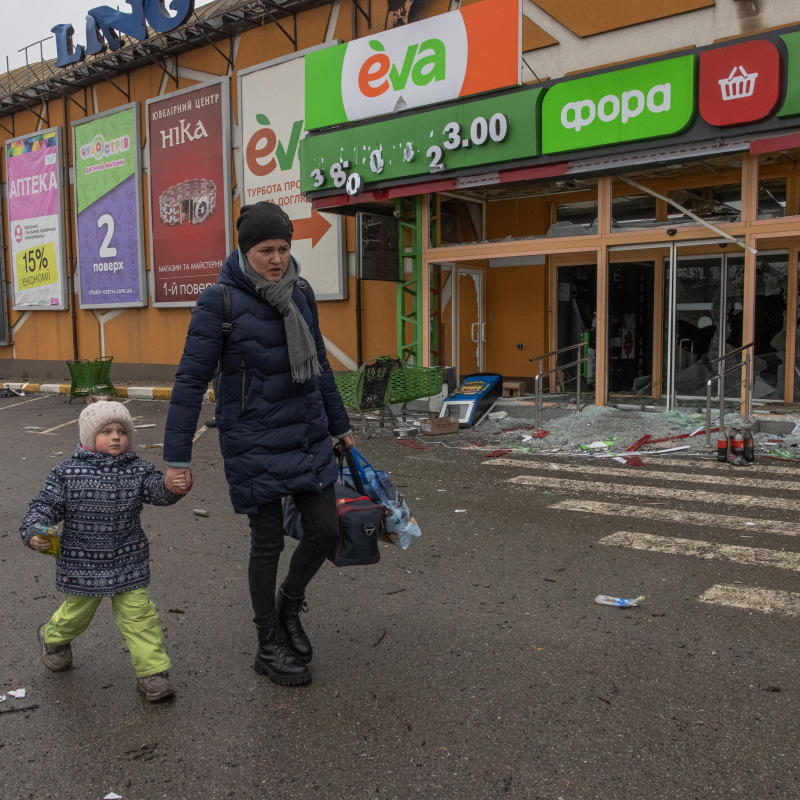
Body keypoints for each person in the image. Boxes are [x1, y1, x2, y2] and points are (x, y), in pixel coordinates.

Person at [163, 201, 354, 687]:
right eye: (265, 249)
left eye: (283, 248)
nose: (276, 258)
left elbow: (321, 366)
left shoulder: (302, 292)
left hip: (307, 430)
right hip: (254, 437)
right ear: (245, 250)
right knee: (266, 542)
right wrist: (177, 457)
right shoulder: (219, 301)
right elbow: (190, 381)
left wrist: (339, 424)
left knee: (325, 530)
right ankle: (267, 643)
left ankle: (289, 605)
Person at [20, 399, 189, 702]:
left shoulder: (138, 469)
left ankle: (153, 673)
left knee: (139, 616)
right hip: (81, 563)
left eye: (122, 431)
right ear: (88, 437)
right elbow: (44, 507)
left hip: (128, 559)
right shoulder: (66, 472)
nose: (116, 436)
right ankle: (53, 636)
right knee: (77, 615)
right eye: (107, 431)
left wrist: (172, 486)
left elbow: (157, 491)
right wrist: (34, 531)